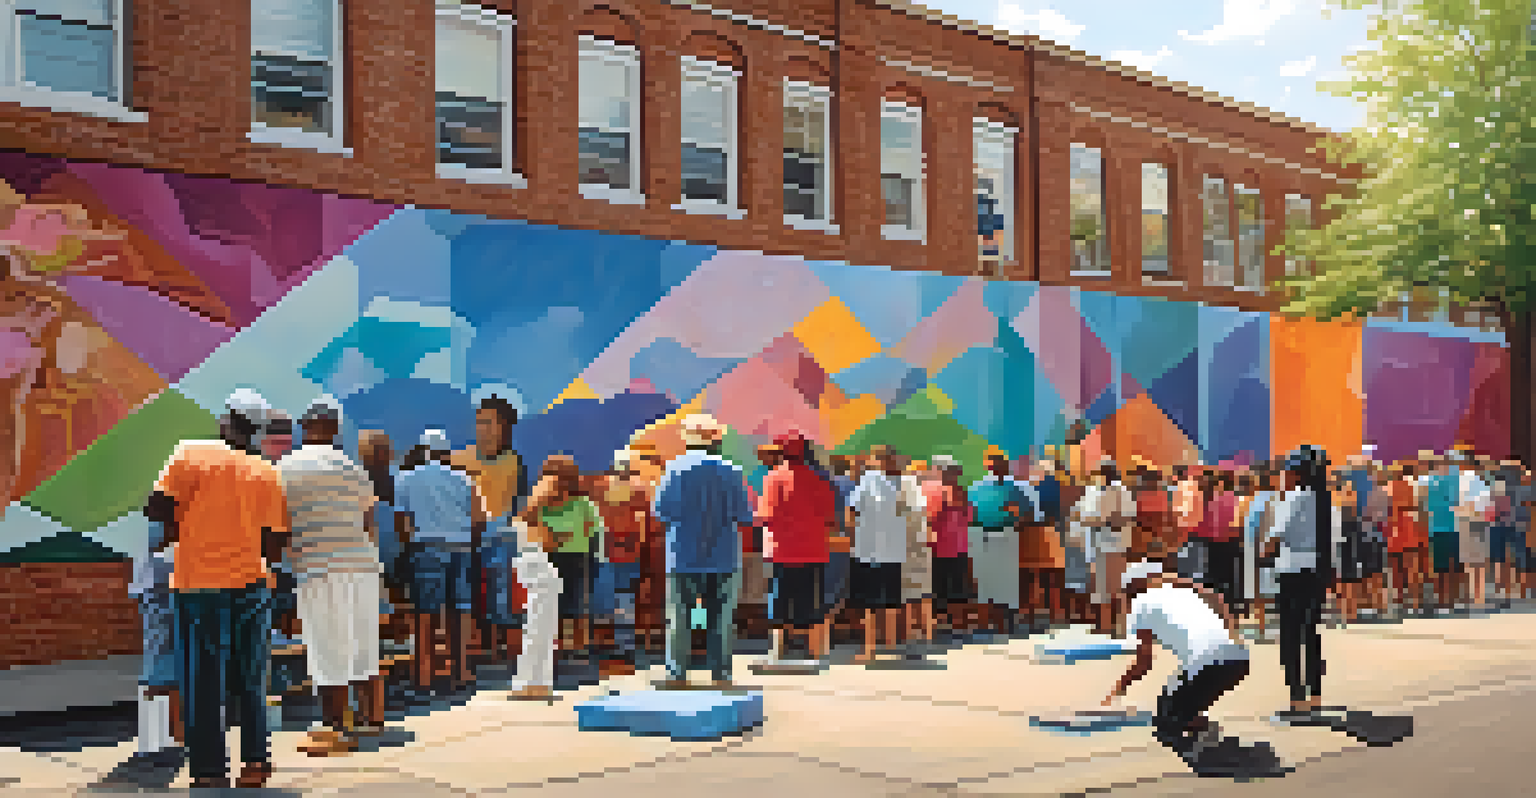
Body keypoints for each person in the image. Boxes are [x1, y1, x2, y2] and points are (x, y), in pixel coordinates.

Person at [143, 389, 287, 789]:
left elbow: (155, 506)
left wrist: (182, 528)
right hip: (252, 584)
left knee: (203, 681)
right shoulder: (266, 471)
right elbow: (275, 542)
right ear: (256, 430)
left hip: (198, 584)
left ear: (226, 420)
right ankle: (255, 763)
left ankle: (209, 770)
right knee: (251, 679)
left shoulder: (190, 454)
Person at [278, 396, 384, 756]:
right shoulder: (353, 469)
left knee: (326, 646)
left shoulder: (286, 467)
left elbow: (280, 523)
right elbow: (370, 522)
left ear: (304, 428)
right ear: (335, 429)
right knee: (361, 643)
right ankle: (370, 718)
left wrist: (291, 554)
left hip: (320, 566)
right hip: (363, 566)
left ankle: (334, 730)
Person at [1104, 559, 1253, 769]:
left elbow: (1144, 662)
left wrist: (1118, 689)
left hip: (1208, 666)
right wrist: (1232, 635)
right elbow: (1218, 599)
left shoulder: (1139, 605)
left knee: (1164, 723)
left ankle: (1206, 752)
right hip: (1239, 660)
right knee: (1180, 695)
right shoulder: (1185, 592)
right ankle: (1200, 727)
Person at [651, 414, 753, 688]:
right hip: (724, 556)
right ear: (716, 440)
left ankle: (677, 675)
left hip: (682, 555)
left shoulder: (674, 469)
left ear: (688, 440)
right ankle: (721, 675)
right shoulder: (732, 470)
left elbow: (661, 512)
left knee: (680, 617)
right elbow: (744, 515)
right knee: (720, 619)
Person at [397, 428, 487, 690]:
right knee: (460, 611)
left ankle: (424, 675)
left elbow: (403, 523)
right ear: (446, 452)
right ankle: (462, 673)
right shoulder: (464, 480)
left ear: (424, 451)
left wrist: (409, 548)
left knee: (425, 614)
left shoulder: (406, 479)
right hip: (461, 547)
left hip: (426, 547)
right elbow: (479, 519)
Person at [451, 396, 528, 665]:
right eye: (479, 422)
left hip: (501, 538)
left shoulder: (515, 462)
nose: (482, 428)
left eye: (489, 423)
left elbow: (519, 503)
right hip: (464, 536)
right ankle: (474, 647)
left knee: (500, 592)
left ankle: (500, 649)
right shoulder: (458, 459)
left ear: (505, 427)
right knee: (468, 592)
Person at [1263, 445, 1334, 718]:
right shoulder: (1324, 499)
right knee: (1311, 632)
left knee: (1290, 635)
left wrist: (1261, 553)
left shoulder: (1293, 499)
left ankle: (1296, 697)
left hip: (1292, 569)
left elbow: (1276, 537)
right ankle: (1315, 694)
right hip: (1316, 568)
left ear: (1296, 473)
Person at [759, 431, 838, 663]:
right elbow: (831, 518)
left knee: (779, 598)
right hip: (813, 549)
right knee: (809, 599)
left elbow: (766, 516)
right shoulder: (821, 480)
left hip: (782, 549)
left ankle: (777, 650)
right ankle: (810, 650)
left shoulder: (772, 478)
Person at [524, 455, 605, 665]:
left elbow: (595, 529)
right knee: (554, 605)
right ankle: (558, 647)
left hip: (578, 558)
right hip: (550, 557)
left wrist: (589, 551)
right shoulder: (541, 504)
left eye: (559, 478)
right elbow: (526, 524)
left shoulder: (583, 503)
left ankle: (578, 648)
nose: (556, 483)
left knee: (576, 603)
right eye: (550, 477)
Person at [848, 445, 915, 663]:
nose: (886, 461)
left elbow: (911, 511)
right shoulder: (868, 480)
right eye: (881, 458)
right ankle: (869, 648)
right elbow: (852, 510)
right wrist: (854, 537)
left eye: (889, 457)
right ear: (874, 460)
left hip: (893, 550)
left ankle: (891, 645)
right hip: (869, 550)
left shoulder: (904, 483)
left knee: (892, 602)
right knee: (869, 604)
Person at [592, 448, 652, 676]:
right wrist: (641, 550)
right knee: (625, 598)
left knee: (602, 598)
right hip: (629, 553)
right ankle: (624, 645)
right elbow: (642, 524)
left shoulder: (601, 487)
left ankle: (599, 643)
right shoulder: (638, 489)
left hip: (604, 552)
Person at [967, 448, 1032, 635]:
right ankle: (987, 622)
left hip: (1006, 535)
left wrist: (1016, 519)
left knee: (1007, 581)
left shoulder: (1015, 488)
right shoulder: (977, 487)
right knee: (985, 580)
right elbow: (969, 512)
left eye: (998, 464)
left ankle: (1007, 622)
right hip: (981, 536)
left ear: (1005, 466)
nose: (995, 468)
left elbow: (1027, 513)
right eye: (991, 464)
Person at [924, 455, 977, 636]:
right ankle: (954, 625)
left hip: (947, 547)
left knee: (947, 588)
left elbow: (932, 518)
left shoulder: (945, 491)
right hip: (950, 547)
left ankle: (952, 626)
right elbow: (969, 517)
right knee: (950, 588)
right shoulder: (953, 491)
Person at [1024, 458, 1066, 629]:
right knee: (1053, 579)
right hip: (1054, 533)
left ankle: (1034, 615)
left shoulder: (1035, 487)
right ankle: (1055, 615)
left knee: (1034, 578)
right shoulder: (1058, 486)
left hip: (1036, 535)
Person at [900, 459, 937, 648]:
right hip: (921, 546)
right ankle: (927, 634)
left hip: (907, 548)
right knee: (923, 593)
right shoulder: (926, 493)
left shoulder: (903, 491)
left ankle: (910, 633)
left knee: (908, 594)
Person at [1388, 462, 1429, 615]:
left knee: (1398, 568)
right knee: (1412, 567)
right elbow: (1422, 509)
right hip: (1412, 529)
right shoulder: (1417, 486)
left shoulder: (1391, 487)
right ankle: (1415, 602)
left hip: (1397, 530)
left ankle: (1401, 600)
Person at [1455, 453, 1493, 611]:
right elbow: (1487, 502)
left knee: (1468, 561)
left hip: (1465, 521)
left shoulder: (1462, 480)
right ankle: (1479, 595)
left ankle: (1470, 594)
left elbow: (1458, 501)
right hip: (1480, 521)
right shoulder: (1481, 481)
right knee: (1479, 561)